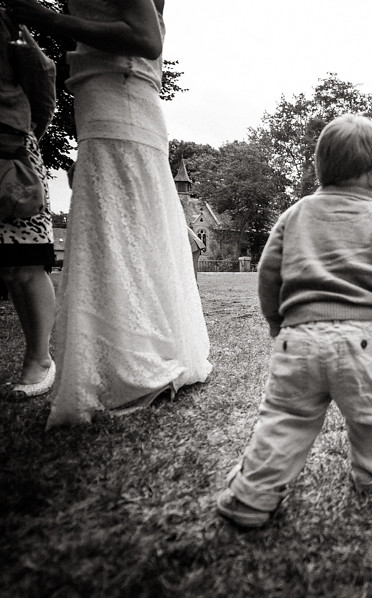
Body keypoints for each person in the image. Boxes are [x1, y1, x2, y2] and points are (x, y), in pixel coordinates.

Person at [216, 114, 372, 529]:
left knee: (284, 419)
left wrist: (277, 322)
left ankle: (252, 496)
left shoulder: (294, 215)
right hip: (361, 340)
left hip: (297, 340)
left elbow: (268, 272)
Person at [8, 0, 212, 425]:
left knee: (123, 230)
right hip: (107, 94)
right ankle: (134, 355)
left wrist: (46, 19)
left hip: (121, 96)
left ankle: (140, 363)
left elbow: (145, 38)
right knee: (119, 230)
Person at [0, 10, 57, 399]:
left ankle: (40, 358)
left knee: (24, 261)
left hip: (9, 152)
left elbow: (42, 76)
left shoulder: (4, 25)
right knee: (7, 267)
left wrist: (24, 133)